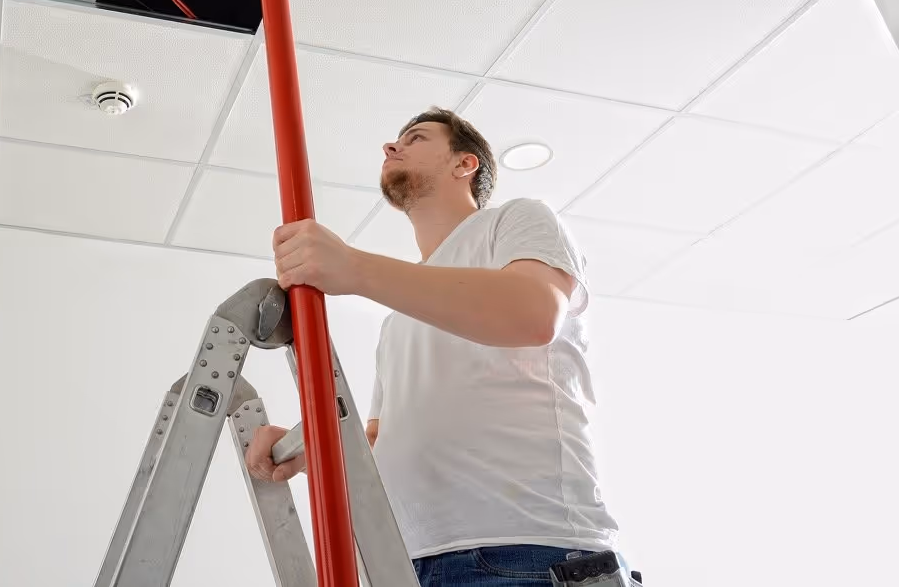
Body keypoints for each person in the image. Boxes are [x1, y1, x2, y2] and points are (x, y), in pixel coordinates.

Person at [244, 107, 623, 587]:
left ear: (465, 164)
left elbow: (532, 313)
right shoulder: (398, 320)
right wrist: (311, 451)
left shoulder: (517, 219)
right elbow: (383, 444)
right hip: (410, 562)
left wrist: (354, 268)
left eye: (416, 137)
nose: (391, 145)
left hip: (529, 551)